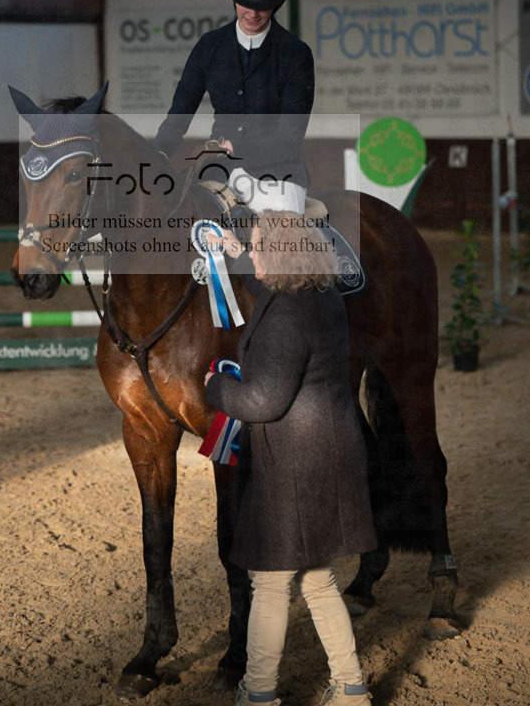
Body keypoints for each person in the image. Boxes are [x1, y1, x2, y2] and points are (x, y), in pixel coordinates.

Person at [204, 210, 376, 706]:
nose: (253, 251)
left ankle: (258, 693)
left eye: (258, 245)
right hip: (327, 456)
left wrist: (216, 386)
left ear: (280, 253)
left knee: (270, 583)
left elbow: (263, 401)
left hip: (296, 468)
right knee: (318, 579)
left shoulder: (285, 317)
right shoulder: (317, 294)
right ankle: (351, 688)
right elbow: (263, 286)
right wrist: (233, 253)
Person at [154, 0, 315, 193]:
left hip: (278, 175)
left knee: (281, 218)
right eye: (245, 2)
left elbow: (289, 139)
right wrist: (157, 155)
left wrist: (232, 147)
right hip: (218, 171)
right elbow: (178, 117)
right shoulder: (209, 47)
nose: (253, 13)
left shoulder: (296, 54)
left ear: (277, 2)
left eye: (262, 6)